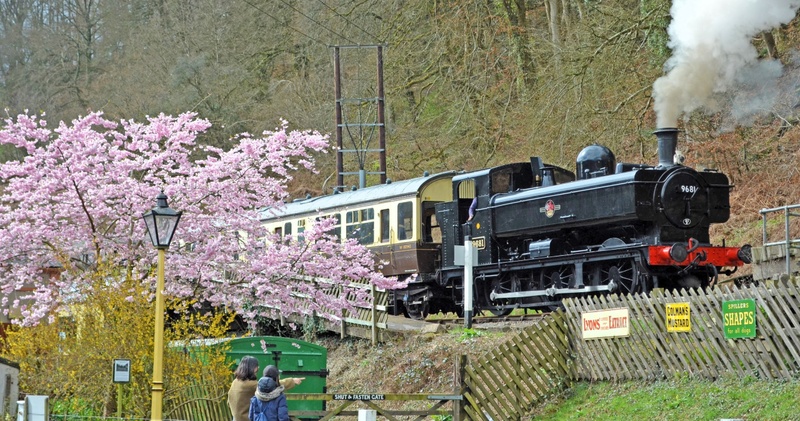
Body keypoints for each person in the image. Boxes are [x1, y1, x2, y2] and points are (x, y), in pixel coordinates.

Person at [227, 356, 260, 421]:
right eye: (256, 366)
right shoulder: (252, 384)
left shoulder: (235, 382)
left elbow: (229, 402)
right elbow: (269, 386)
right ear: (253, 368)